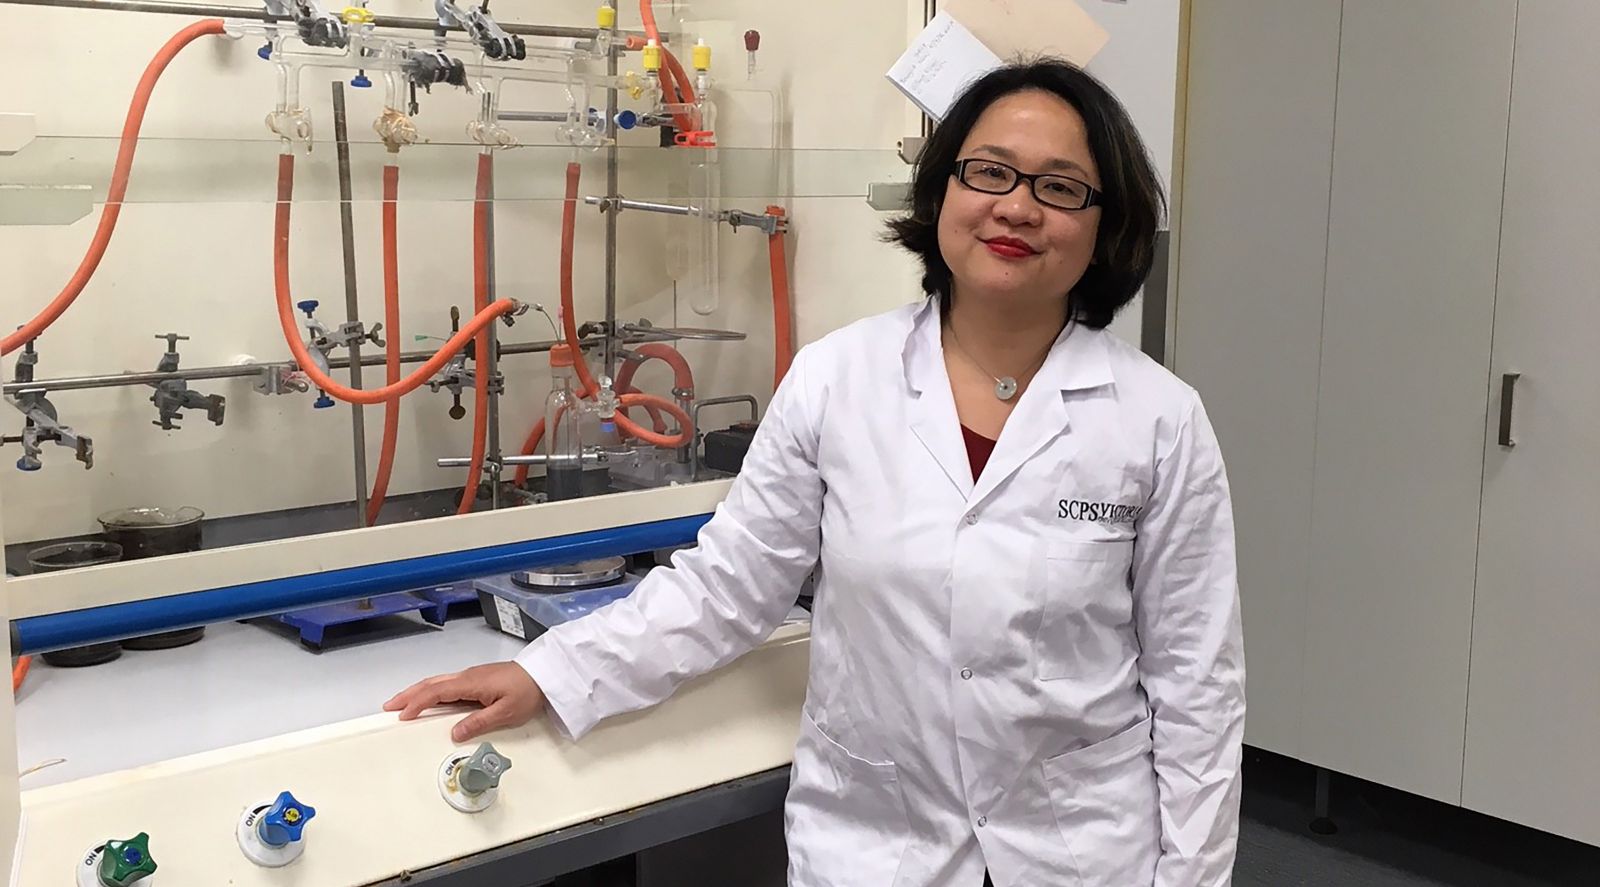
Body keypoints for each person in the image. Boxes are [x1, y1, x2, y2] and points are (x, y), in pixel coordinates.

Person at [386, 58, 1245, 887]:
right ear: (943, 188)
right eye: (989, 172)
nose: (1016, 208)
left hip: (1084, 852)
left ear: (1103, 225)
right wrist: (554, 671)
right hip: (879, 845)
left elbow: (1196, 689)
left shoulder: (1158, 419)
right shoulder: (839, 378)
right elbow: (728, 587)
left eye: (1060, 187)